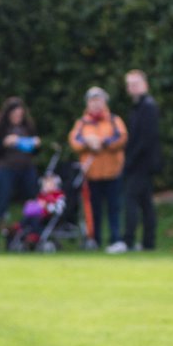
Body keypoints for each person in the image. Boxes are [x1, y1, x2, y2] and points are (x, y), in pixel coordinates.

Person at [68, 87, 127, 251]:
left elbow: (121, 137)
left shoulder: (114, 120)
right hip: (91, 174)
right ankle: (95, 240)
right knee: (93, 210)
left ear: (104, 102)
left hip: (112, 172)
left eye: (99, 100)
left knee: (114, 208)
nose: (96, 104)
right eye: (92, 101)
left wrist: (102, 142)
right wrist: (87, 142)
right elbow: (75, 141)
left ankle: (116, 239)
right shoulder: (82, 123)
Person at [0, 96, 41, 252]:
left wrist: (36, 144)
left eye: (20, 114)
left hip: (26, 168)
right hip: (6, 169)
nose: (18, 117)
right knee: (1, 204)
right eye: (15, 114)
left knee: (33, 202)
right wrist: (5, 144)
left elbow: (35, 151)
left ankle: (33, 237)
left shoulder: (28, 127)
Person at [122, 70, 162, 251]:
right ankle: (148, 243)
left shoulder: (148, 107)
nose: (132, 88)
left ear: (145, 85)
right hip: (140, 163)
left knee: (131, 200)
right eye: (130, 84)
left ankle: (128, 241)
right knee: (146, 203)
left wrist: (129, 160)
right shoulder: (139, 107)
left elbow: (146, 139)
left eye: (136, 83)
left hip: (142, 164)